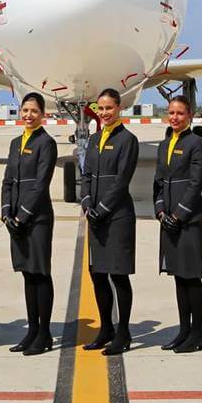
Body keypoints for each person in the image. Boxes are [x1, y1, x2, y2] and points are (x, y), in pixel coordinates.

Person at [81, 88, 139, 355]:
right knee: (98, 274)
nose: (104, 113)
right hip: (95, 216)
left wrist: (102, 207)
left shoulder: (128, 140)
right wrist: (86, 202)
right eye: (101, 109)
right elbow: (87, 174)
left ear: (119, 109)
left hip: (117, 216)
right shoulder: (94, 140)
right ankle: (106, 328)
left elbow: (121, 180)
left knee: (118, 274)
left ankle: (123, 332)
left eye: (109, 108)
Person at [1, 92, 58, 356]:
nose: (28, 115)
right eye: (25, 110)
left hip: (37, 219)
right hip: (16, 219)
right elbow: (7, 181)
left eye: (34, 111)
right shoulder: (15, 143)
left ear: (42, 114)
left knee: (40, 273)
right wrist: (6, 213)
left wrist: (22, 216)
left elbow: (40, 183)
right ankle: (32, 330)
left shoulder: (46, 143)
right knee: (26, 273)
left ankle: (44, 333)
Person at [153, 95, 202, 353]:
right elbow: (159, 182)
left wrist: (179, 215)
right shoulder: (164, 145)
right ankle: (183, 330)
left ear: (189, 116)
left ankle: (197, 333)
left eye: (180, 113)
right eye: (171, 113)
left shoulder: (197, 144)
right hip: (168, 221)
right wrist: (161, 211)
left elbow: (195, 184)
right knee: (177, 277)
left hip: (187, 222)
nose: (174, 117)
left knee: (191, 277)